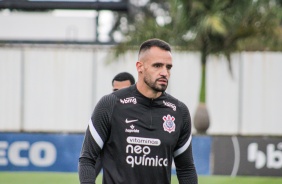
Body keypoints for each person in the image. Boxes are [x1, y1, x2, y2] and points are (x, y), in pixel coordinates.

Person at [79, 38, 198, 184]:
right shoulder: (110, 104)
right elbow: (87, 159)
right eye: (157, 66)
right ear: (140, 67)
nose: (164, 72)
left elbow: (186, 169)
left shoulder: (179, 111)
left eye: (168, 67)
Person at [94, 72, 135, 179]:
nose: (119, 94)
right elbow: (96, 154)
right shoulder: (107, 115)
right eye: (116, 91)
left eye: (124, 90)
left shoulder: (147, 114)